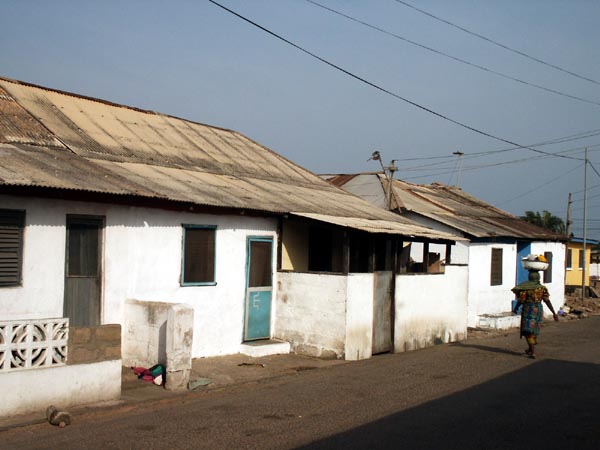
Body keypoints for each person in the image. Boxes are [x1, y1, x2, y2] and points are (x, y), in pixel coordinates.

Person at [511, 270, 558, 358]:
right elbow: (547, 300)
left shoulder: (526, 288)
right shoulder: (542, 288)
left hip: (528, 309)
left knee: (527, 330)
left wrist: (516, 307)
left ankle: (532, 352)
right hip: (538, 309)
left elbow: (521, 300)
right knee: (534, 329)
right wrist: (554, 313)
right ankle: (530, 349)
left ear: (529, 277)